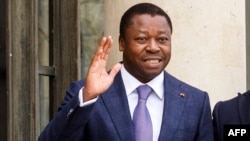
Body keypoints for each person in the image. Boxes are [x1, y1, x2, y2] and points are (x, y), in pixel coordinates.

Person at [38, 2, 214, 141]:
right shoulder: (86, 94)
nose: (153, 47)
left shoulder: (196, 102)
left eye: (162, 39)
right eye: (142, 39)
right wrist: (88, 97)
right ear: (122, 43)